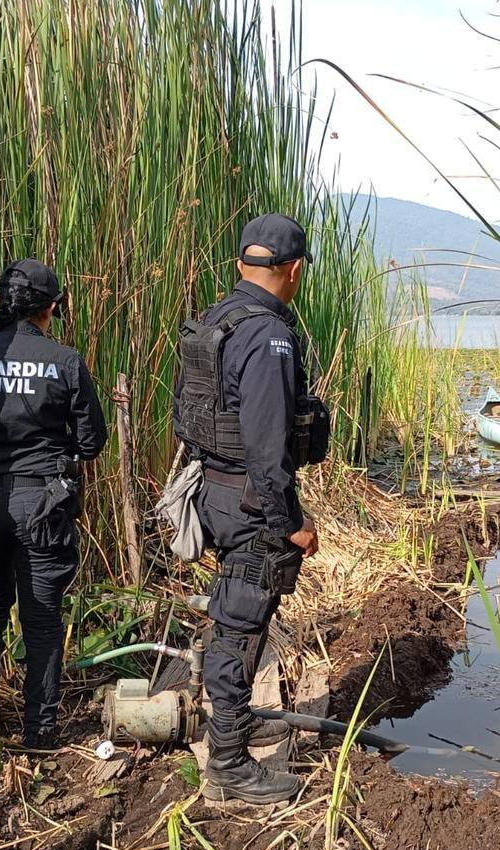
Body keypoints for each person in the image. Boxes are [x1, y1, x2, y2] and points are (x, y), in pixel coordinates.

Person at [173, 213, 330, 804]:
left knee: (239, 613)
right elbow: (267, 447)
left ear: (243, 262)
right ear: (291, 271)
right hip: (251, 498)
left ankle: (234, 725)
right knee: (240, 622)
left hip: (216, 489)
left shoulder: (215, 322)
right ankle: (230, 766)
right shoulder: (269, 337)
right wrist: (290, 521)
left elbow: (186, 414)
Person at [0, 258, 107, 747]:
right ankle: (40, 732)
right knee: (40, 617)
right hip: (42, 506)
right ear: (52, 307)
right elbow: (92, 441)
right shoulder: (64, 362)